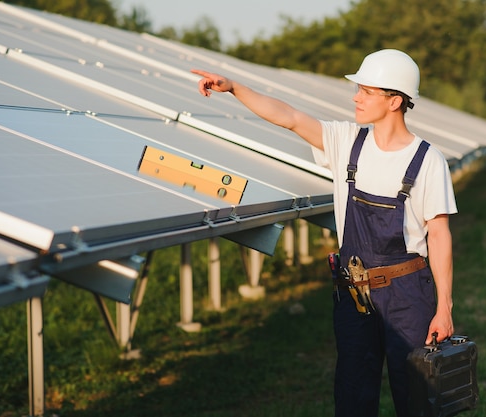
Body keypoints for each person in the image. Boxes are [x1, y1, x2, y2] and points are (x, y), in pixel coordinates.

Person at [191, 48, 457, 417]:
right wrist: (234, 87)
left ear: (395, 100)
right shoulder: (347, 141)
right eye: (358, 90)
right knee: (352, 396)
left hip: (408, 295)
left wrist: (444, 308)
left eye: (366, 91)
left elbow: (439, 234)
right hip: (355, 292)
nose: (356, 98)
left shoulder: (428, 159)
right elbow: (289, 117)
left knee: (416, 397)